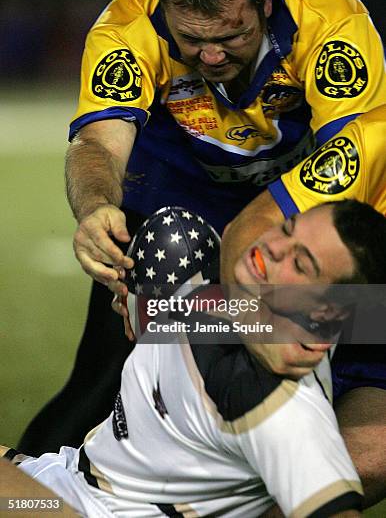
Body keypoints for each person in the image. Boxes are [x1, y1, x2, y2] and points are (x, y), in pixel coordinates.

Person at [18, 0, 386, 454]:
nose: (211, 56)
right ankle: (28, 496)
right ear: (163, 7)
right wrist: (96, 208)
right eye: (191, 39)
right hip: (176, 194)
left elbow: (351, 158)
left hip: (306, 196)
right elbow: (98, 144)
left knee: (360, 356)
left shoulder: (330, 19)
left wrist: (260, 274)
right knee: (102, 382)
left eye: (231, 35)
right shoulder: (129, 23)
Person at [4, 199, 386, 517]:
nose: (272, 247)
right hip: (67, 479)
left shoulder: (278, 401)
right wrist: (143, 308)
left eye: (300, 264)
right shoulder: (221, 300)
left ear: (327, 314)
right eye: (287, 229)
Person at [219, 105, 386, 507]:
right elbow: (254, 223)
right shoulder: (375, 137)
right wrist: (258, 331)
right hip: (334, 317)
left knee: (357, 468)